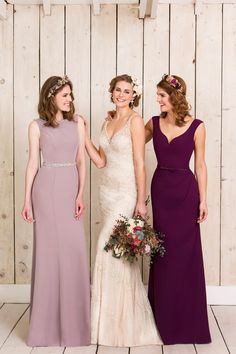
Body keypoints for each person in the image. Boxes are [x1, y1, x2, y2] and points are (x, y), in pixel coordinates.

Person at [84, 74, 162, 347]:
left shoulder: (136, 121)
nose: (121, 94)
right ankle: (105, 323)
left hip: (126, 192)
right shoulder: (107, 120)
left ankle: (124, 324)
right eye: (117, 90)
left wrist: (141, 201)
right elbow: (101, 162)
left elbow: (140, 163)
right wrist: (83, 136)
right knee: (114, 252)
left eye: (126, 91)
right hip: (106, 192)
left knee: (110, 248)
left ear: (133, 95)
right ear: (112, 92)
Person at [21, 76, 90, 347]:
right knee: (49, 256)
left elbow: (81, 161)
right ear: (51, 97)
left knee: (73, 253)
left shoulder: (77, 123)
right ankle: (44, 329)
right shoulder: (36, 126)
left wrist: (80, 194)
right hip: (45, 191)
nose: (69, 99)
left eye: (70, 94)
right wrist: (26, 201)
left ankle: (75, 328)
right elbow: (31, 165)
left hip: (69, 188)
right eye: (64, 95)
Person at [146, 74, 211, 344]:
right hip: (161, 189)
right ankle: (161, 318)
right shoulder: (152, 123)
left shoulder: (197, 126)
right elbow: (131, 143)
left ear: (175, 97)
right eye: (158, 95)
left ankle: (188, 321)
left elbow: (201, 165)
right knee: (163, 252)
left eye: (162, 95)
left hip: (186, 192)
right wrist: (116, 115)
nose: (157, 99)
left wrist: (204, 199)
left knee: (185, 253)